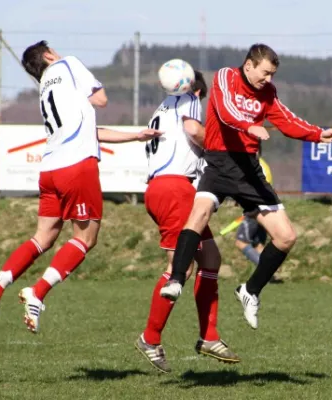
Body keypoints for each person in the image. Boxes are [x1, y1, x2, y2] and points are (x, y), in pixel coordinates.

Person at [0, 41, 161, 335]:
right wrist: (93, 88)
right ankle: (37, 292)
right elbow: (101, 100)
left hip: (50, 170)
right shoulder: (68, 64)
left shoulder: (45, 88)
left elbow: (91, 131)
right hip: (77, 168)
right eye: (55, 50)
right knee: (85, 238)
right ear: (49, 55)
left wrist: (135, 135)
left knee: (43, 238)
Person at [160, 43, 332, 330]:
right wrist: (249, 126)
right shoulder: (224, 77)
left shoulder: (267, 93)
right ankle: (176, 279)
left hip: (248, 169)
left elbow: (287, 120)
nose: (268, 80)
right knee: (200, 213)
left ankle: (250, 291)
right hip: (219, 162)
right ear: (249, 66)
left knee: (286, 237)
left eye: (272, 75)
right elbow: (225, 110)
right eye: (265, 73)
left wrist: (319, 134)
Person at [134, 70, 240, 373]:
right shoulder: (189, 99)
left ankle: (209, 335)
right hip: (174, 189)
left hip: (165, 188)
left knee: (210, 258)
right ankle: (150, 338)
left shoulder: (164, 106)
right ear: (197, 89)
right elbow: (194, 130)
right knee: (180, 266)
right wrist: (223, 149)